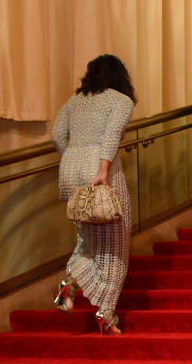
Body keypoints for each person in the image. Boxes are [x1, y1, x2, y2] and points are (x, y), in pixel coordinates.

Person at [51, 54, 135, 336]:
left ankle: (70, 286)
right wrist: (101, 169)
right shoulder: (120, 100)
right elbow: (111, 135)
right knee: (116, 247)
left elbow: (57, 135)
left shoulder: (75, 101)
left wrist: (72, 158)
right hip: (101, 172)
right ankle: (106, 313)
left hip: (70, 171)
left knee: (86, 240)